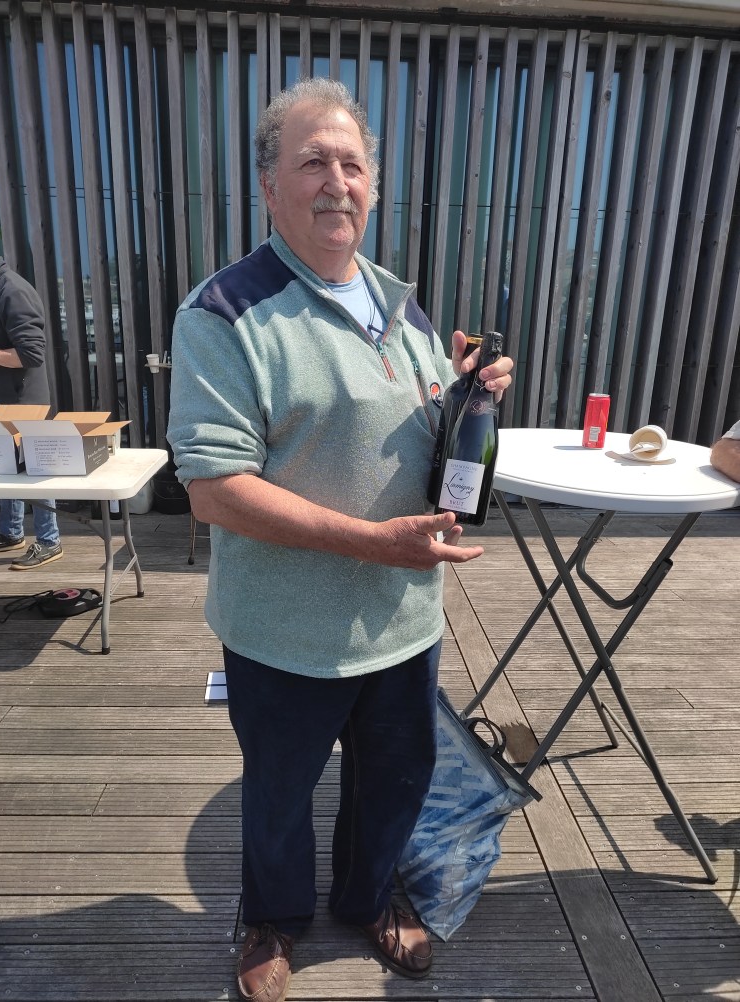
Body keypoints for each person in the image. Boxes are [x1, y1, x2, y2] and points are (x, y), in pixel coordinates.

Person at [167, 78, 513, 1002]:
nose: (336, 181)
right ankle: (271, 916)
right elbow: (214, 490)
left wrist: (469, 394)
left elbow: (425, 429)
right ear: (269, 186)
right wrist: (372, 542)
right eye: (312, 161)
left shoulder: (402, 304)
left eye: (352, 164)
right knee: (279, 790)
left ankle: (368, 897)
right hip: (283, 627)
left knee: (394, 779)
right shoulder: (224, 312)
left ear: (373, 186)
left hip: (403, 615)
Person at [0, 239, 63, 569]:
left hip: (23, 402)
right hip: (1, 400)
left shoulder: (12, 290)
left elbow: (31, 354)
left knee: (34, 470)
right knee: (6, 468)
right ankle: (11, 533)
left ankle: (49, 540)